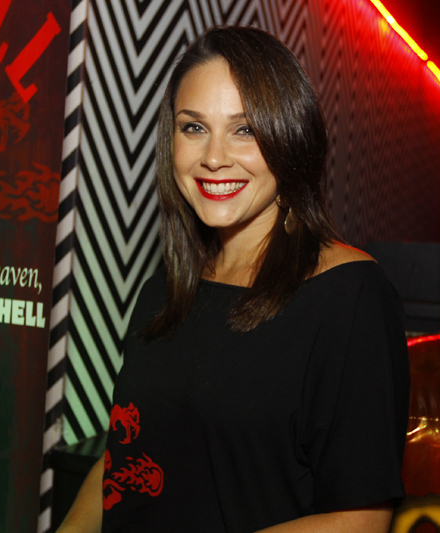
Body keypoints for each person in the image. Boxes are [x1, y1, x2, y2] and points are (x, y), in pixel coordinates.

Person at [57, 26, 409, 533]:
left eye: (244, 129)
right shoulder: (166, 287)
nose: (214, 157)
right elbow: (126, 456)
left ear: (290, 138)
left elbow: (361, 519)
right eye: (193, 127)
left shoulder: (348, 296)